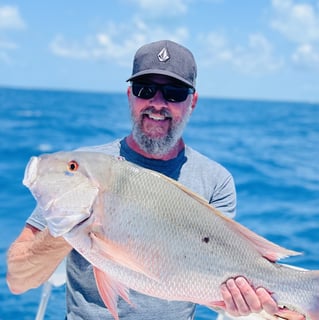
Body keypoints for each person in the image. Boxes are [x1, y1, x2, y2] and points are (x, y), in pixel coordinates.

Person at [6, 40, 305, 320]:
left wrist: (245, 298)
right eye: (144, 89)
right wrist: (70, 228)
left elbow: (215, 275)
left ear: (193, 102)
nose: (157, 103)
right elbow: (18, 280)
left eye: (174, 93)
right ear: (129, 95)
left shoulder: (215, 181)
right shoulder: (90, 165)